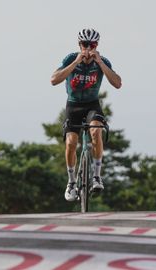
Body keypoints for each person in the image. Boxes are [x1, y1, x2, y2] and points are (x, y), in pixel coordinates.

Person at [51, 28, 122, 201]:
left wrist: (101, 63)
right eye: (85, 44)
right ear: (79, 44)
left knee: (96, 131)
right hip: (73, 105)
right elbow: (54, 80)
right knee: (71, 142)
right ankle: (72, 182)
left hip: (92, 105)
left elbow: (118, 83)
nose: (88, 48)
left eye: (92, 45)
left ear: (97, 45)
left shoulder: (102, 61)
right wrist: (75, 62)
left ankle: (97, 176)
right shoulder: (70, 58)